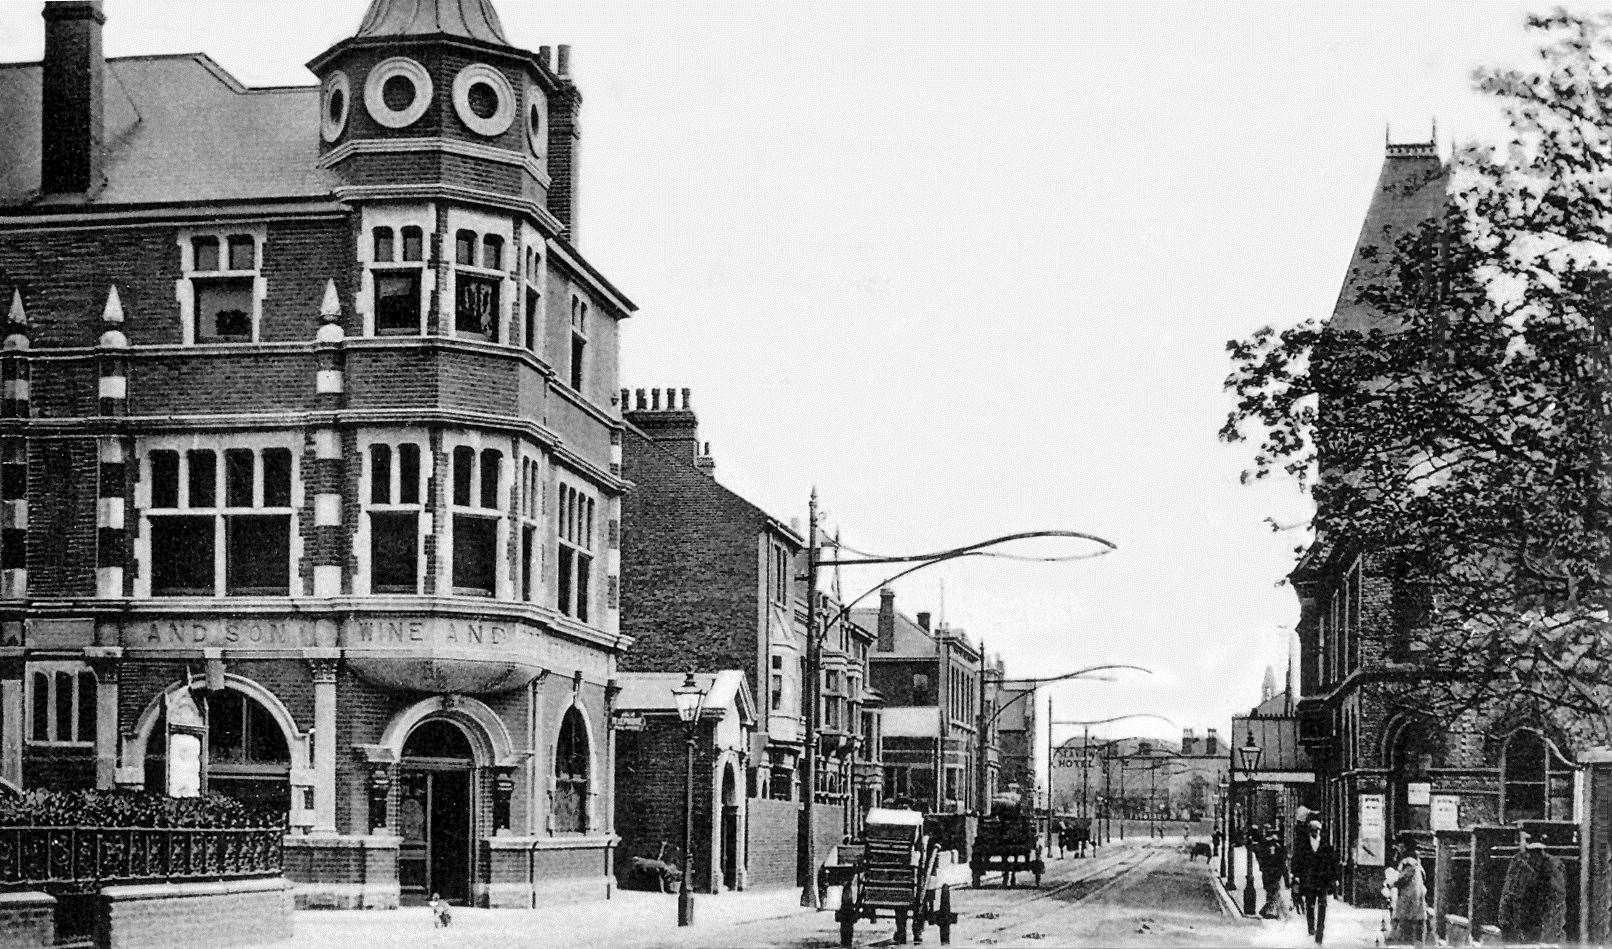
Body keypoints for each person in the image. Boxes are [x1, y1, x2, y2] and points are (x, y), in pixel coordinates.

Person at [1498, 835, 1567, 944]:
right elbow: (1509, 891)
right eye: (1532, 851)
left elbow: (1558, 898)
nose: (1534, 855)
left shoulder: (1553, 865)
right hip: (1524, 914)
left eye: (1538, 851)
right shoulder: (1519, 862)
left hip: (1543, 915)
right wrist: (1505, 916)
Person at [1291, 819, 1338, 944]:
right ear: (1309, 831)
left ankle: (1320, 930)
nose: (1315, 832)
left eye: (1316, 830)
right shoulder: (1303, 845)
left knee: (1322, 905)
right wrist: (1296, 876)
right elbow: (1297, 860)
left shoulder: (1325, 845)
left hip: (1322, 881)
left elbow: (1332, 861)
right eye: (1312, 830)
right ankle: (1311, 927)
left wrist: (1333, 878)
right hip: (1309, 880)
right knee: (1310, 904)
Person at [1387, 834, 1428, 945]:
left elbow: (1401, 878)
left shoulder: (1408, 862)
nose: (1398, 849)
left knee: (1407, 925)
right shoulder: (1416, 862)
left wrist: (1390, 883)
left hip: (1409, 898)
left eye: (1399, 846)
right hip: (1416, 897)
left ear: (1404, 847)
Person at [1257, 826, 1290, 919]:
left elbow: (1261, 861)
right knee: (1274, 893)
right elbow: (1282, 864)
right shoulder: (1278, 848)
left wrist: (1263, 869)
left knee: (1272, 893)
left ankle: (1277, 912)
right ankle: (1274, 912)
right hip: (1275, 874)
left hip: (1267, 874)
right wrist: (1286, 879)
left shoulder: (1264, 847)